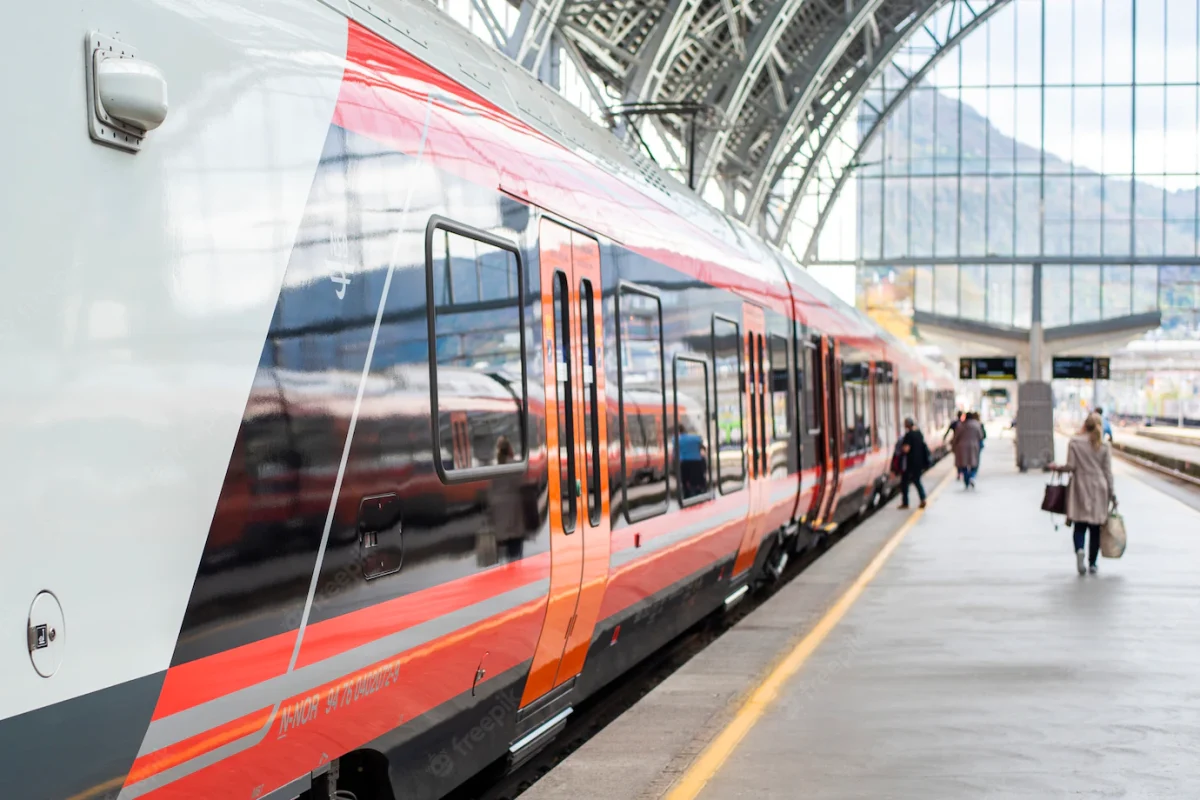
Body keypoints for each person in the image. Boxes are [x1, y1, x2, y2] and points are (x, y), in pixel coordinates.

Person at [1049, 413, 1115, 575]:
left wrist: (1057, 467)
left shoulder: (1075, 443)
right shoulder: (1104, 445)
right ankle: (1092, 563)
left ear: (1084, 425)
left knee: (1079, 525)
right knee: (1095, 528)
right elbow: (1108, 473)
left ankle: (1079, 550)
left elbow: (1071, 466)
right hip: (1099, 488)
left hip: (1080, 486)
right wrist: (1112, 494)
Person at [896, 417, 930, 510]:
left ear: (907, 425)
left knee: (904, 483)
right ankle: (923, 499)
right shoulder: (919, 434)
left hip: (909, 463)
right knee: (917, 481)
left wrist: (900, 448)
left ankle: (905, 503)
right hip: (919, 462)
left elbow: (906, 449)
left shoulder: (908, 435)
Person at [951, 411, 984, 488]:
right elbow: (981, 436)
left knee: (963, 465)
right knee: (974, 464)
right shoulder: (976, 425)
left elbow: (956, 438)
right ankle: (972, 477)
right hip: (974, 446)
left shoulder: (960, 426)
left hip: (962, 447)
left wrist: (953, 447)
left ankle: (966, 481)